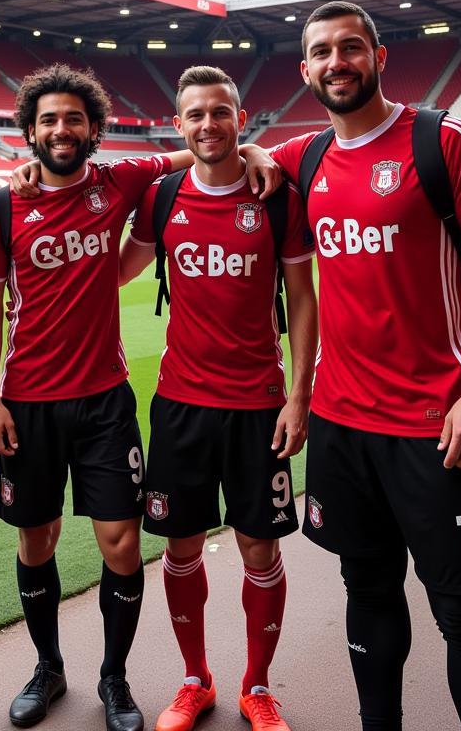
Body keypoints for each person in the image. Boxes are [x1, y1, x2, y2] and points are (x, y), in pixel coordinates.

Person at [0, 63, 280, 731]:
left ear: (92, 129)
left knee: (120, 543)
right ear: (29, 130)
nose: (61, 130)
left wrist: (255, 148)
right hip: (26, 400)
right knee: (37, 539)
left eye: (74, 119)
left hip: (105, 398)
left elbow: (202, 143)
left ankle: (114, 680)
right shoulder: (2, 205)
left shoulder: (120, 181)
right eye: (49, 119)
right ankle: (48, 668)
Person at [268, 1, 461, 731]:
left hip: (437, 425)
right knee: (369, 591)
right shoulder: (305, 157)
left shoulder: (442, 140)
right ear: (305, 71)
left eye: (351, 47)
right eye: (321, 52)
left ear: (380, 57)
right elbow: (221, 151)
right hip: (343, 426)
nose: (336, 62)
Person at [119, 65, 318, 731]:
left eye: (221, 112)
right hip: (180, 404)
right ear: (179, 125)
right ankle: (194, 679)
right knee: (180, 548)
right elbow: (116, 269)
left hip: (260, 404)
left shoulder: (276, 196)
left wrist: (299, 393)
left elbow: (304, 298)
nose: (209, 124)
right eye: (195, 114)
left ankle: (257, 687)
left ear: (242, 119)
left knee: (260, 549)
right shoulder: (161, 197)